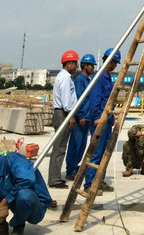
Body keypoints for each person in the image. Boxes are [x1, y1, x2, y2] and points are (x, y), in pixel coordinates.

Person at [0, 147, 52, 235]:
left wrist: (6, 201)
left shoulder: (13, 159)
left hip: (36, 207)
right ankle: (2, 225)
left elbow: (27, 179)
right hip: (18, 204)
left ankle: (17, 224)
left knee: (25, 196)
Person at [84, 48, 121, 192]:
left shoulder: (107, 77)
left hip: (107, 120)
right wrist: (96, 118)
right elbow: (95, 99)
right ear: (110, 61)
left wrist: (110, 118)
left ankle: (99, 180)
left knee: (104, 151)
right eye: (114, 63)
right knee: (96, 152)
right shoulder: (99, 77)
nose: (115, 66)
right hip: (99, 121)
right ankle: (89, 184)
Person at [47, 49, 79, 188]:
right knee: (59, 148)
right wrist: (71, 116)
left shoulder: (62, 76)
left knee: (59, 147)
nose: (76, 66)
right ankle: (54, 179)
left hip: (61, 113)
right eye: (75, 63)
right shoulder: (65, 78)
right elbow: (67, 100)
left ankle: (55, 177)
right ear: (69, 63)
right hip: (63, 114)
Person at [65, 53, 96, 179]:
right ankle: (70, 169)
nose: (92, 68)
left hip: (86, 118)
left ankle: (75, 166)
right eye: (91, 66)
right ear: (84, 66)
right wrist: (81, 115)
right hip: (80, 119)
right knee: (75, 144)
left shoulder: (87, 80)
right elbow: (78, 100)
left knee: (82, 145)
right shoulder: (80, 80)